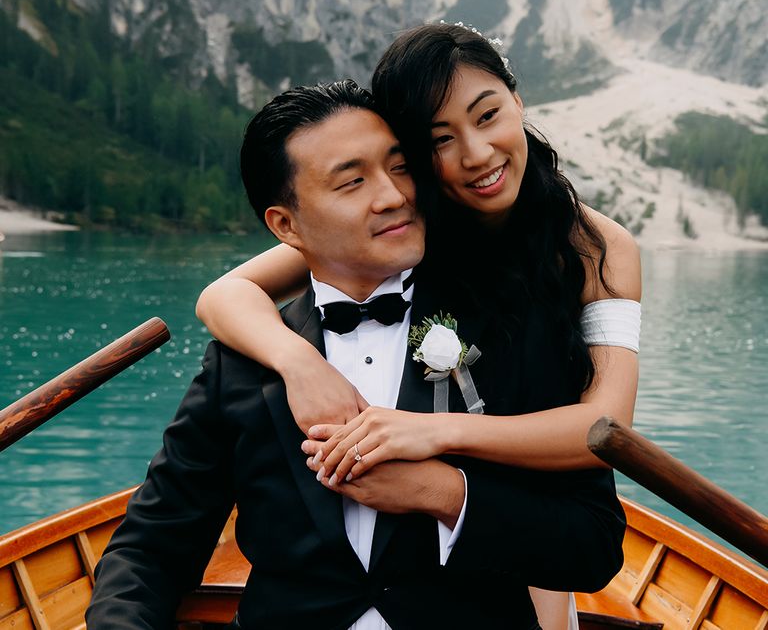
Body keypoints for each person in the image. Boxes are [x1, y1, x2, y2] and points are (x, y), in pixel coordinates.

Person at [86, 80, 625, 630]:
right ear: (285, 225)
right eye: (352, 181)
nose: (393, 196)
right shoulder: (240, 365)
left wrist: (445, 495)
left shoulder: (509, 324)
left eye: (399, 167)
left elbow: (594, 547)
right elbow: (149, 550)